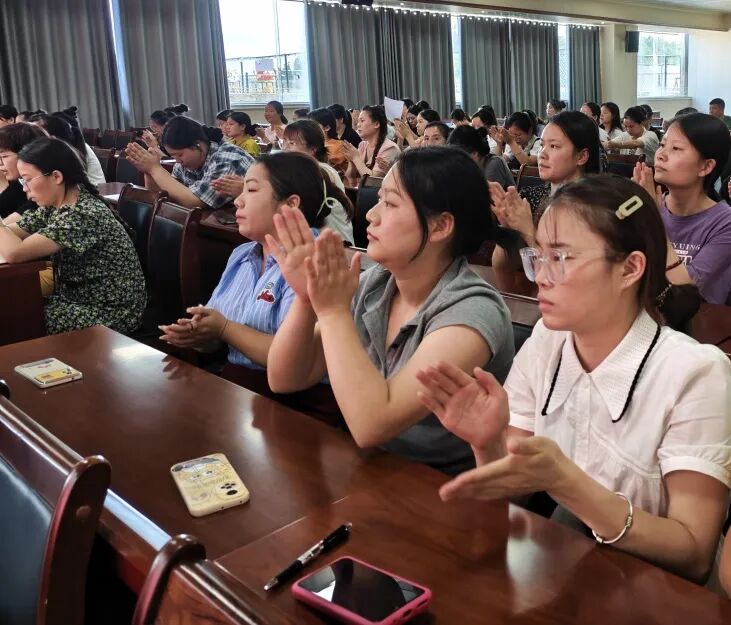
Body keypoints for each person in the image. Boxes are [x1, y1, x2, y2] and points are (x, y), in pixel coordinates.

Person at [417, 174, 731, 586]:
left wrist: (567, 483)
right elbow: (512, 494)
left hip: (656, 594)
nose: (541, 277)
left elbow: (693, 553)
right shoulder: (549, 340)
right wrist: (487, 443)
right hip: (567, 572)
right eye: (539, 256)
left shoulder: (696, 373)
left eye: (561, 258)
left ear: (630, 269)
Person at [266, 147, 515, 475]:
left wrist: (332, 312)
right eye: (379, 199)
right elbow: (285, 378)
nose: (372, 214)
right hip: (367, 470)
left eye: (391, 203)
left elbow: (372, 424)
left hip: (436, 487)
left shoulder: (473, 312)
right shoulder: (375, 283)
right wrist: (306, 299)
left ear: (440, 226)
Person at [159, 151, 347, 400]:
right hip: (237, 389)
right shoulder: (243, 254)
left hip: (295, 401)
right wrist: (200, 334)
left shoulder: (315, 263)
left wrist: (224, 329)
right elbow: (218, 336)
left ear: (291, 204)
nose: (238, 201)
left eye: (251, 190)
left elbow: (295, 358)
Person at [0, 137, 145, 334]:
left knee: (13, 316)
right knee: (15, 307)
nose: (24, 188)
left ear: (56, 176)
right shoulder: (58, 205)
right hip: (74, 300)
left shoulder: (83, 213)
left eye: (27, 180)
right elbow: (12, 231)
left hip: (109, 312)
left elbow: (15, 253)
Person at [490, 111, 602, 294]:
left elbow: (568, 276)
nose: (542, 154)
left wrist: (527, 231)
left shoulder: (592, 207)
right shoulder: (531, 196)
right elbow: (506, 266)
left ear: (581, 156)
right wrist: (508, 230)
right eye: (542, 145)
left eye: (554, 146)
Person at [633, 112, 731, 305]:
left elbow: (684, 290)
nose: (661, 155)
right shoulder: (650, 206)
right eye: (662, 145)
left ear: (706, 166)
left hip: (698, 320)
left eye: (676, 148)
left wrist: (652, 220)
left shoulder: (725, 223)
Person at [126, 116, 253, 209]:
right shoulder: (185, 161)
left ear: (197, 145)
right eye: (173, 156)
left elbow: (196, 202)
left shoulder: (228, 158)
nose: (177, 160)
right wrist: (148, 171)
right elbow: (164, 196)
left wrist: (155, 169)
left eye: (179, 155)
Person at [281, 120, 354, 244]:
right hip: (313, 240)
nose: (285, 148)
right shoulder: (299, 170)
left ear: (312, 149)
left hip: (335, 245)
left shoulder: (320, 172)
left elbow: (300, 211)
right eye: (284, 142)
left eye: (292, 143)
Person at [31, 113, 106, 186]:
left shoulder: (69, 148)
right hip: (78, 188)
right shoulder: (62, 146)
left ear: (52, 135)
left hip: (95, 189)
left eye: (40, 132)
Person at [0, 123, 47, 221]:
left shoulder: (44, 189)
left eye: (4, 156)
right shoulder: (18, 183)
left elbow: (12, 226)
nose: (0, 163)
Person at [342, 105, 399, 184]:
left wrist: (356, 158)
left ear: (376, 124)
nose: (358, 125)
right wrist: (351, 160)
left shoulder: (389, 148)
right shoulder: (362, 145)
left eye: (362, 121)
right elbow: (349, 179)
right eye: (358, 121)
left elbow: (371, 182)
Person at [447, 125, 513, 189]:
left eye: (459, 158)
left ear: (474, 153)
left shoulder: (494, 163)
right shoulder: (473, 168)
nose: (456, 163)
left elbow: (483, 195)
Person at [309, 108, 347, 175]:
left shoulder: (338, 146)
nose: (309, 129)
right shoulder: (314, 144)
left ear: (327, 128)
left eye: (314, 126)